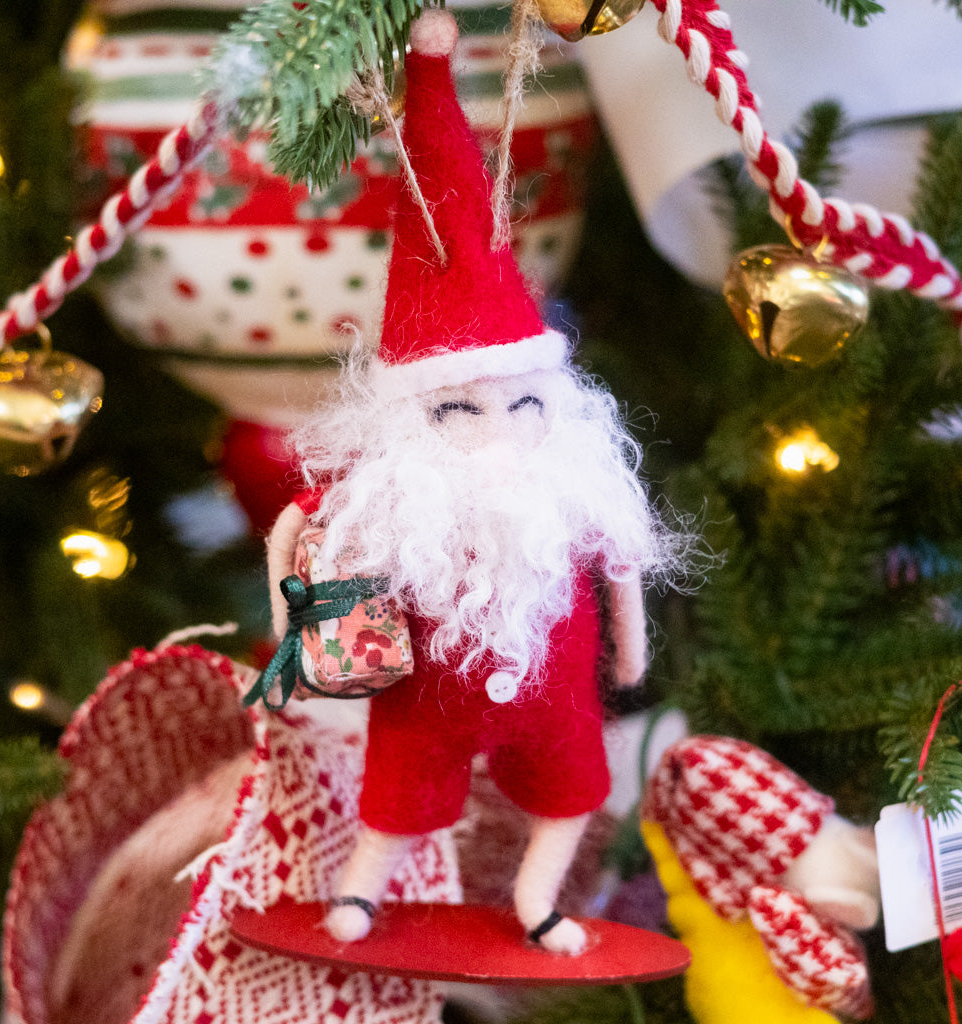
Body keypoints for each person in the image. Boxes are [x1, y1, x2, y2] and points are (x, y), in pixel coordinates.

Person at [266, 8, 684, 955]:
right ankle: (362, 891)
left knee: (572, 791)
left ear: (553, 397)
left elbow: (619, 564)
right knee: (398, 797)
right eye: (462, 410)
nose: (501, 427)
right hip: (422, 707)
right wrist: (294, 635)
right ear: (412, 415)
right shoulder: (386, 497)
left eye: (524, 404)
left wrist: (627, 658)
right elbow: (296, 536)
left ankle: (539, 901)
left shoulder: (574, 484)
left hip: (557, 698)